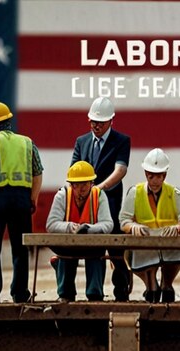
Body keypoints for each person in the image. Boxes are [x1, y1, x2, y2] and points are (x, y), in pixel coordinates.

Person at [0, 101, 43, 304]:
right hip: (22, 199)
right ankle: (20, 294)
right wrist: (33, 198)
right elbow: (37, 173)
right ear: (8, 121)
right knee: (20, 248)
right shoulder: (27, 142)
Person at [71, 96, 132, 301]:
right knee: (91, 247)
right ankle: (94, 291)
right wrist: (83, 193)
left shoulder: (121, 141)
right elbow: (73, 171)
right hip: (85, 204)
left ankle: (122, 289)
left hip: (111, 201)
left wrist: (99, 189)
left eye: (100, 122)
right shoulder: (82, 141)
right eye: (92, 121)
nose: (95, 125)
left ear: (111, 121)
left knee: (115, 247)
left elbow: (120, 169)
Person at [119, 148, 180, 303]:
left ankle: (167, 285)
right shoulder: (135, 192)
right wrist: (133, 227)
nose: (154, 180)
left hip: (169, 242)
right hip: (144, 243)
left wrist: (178, 228)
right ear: (146, 173)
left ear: (164, 175)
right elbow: (124, 220)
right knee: (143, 259)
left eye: (158, 176)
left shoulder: (174, 193)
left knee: (174, 258)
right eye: (150, 175)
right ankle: (151, 285)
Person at [46, 161, 114, 302]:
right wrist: (70, 227)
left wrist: (88, 229)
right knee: (64, 257)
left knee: (96, 257)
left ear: (92, 183)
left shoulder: (99, 195)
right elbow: (51, 224)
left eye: (84, 184)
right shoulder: (62, 195)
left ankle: (95, 295)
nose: (80, 188)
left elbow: (108, 224)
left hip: (93, 245)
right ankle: (65, 294)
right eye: (76, 185)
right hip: (67, 245)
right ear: (71, 185)